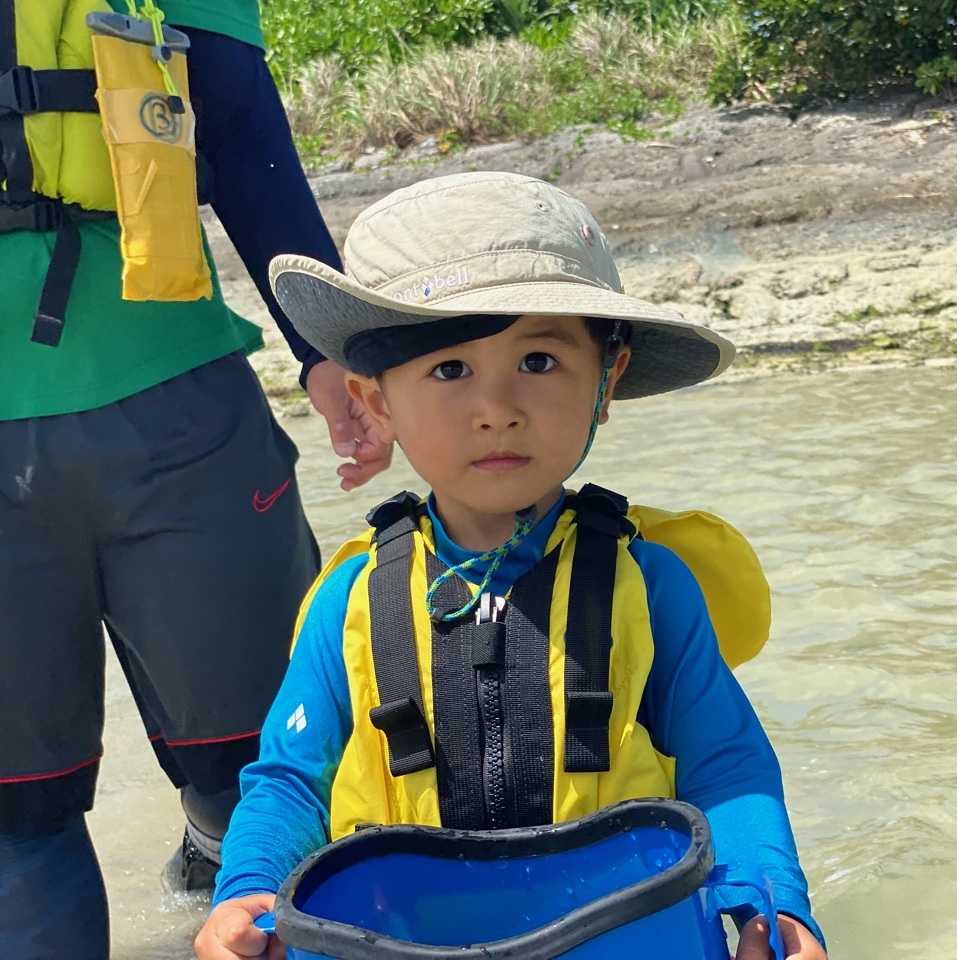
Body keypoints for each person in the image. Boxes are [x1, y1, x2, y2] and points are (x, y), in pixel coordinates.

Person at [194, 171, 828, 960]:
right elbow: (290, 781)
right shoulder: (350, 603)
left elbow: (728, 767)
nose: (497, 407)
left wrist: (770, 901)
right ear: (377, 401)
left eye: (537, 359)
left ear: (608, 379)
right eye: (449, 369)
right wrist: (248, 888)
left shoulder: (653, 587)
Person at [0, 2, 386, 959]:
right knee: (15, 816)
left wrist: (327, 351)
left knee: (274, 772)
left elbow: (248, 135)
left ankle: (213, 870)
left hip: (183, 418)